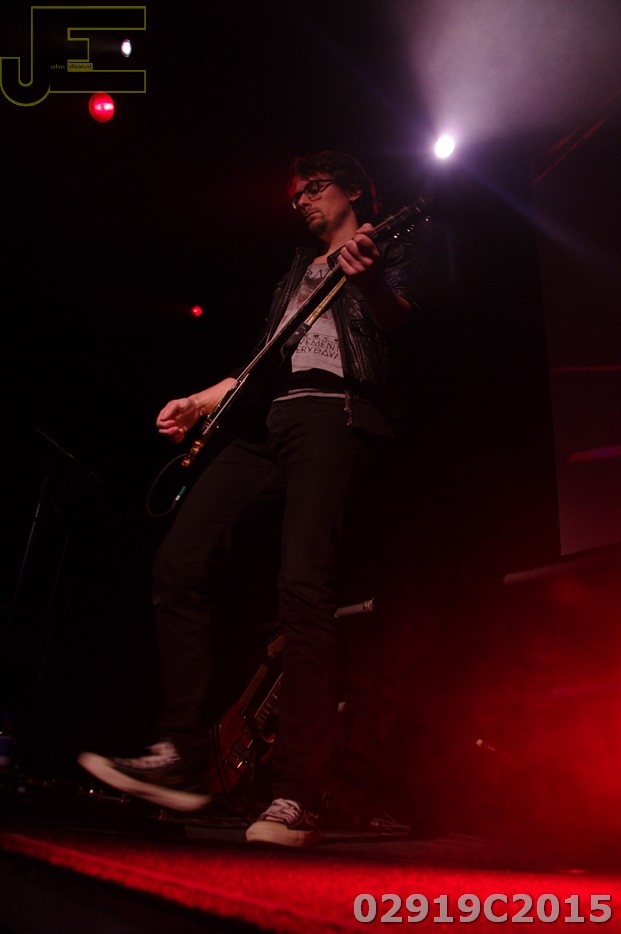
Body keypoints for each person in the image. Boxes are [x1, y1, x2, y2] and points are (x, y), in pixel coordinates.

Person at [78, 150, 422, 847]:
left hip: (333, 415)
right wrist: (199, 402)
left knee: (303, 590)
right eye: (296, 195)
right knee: (178, 562)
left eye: (315, 188)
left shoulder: (391, 244)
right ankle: (182, 756)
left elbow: (397, 319)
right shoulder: (296, 269)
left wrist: (368, 278)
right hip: (268, 422)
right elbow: (263, 361)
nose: (302, 201)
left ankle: (297, 790)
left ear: (356, 191)